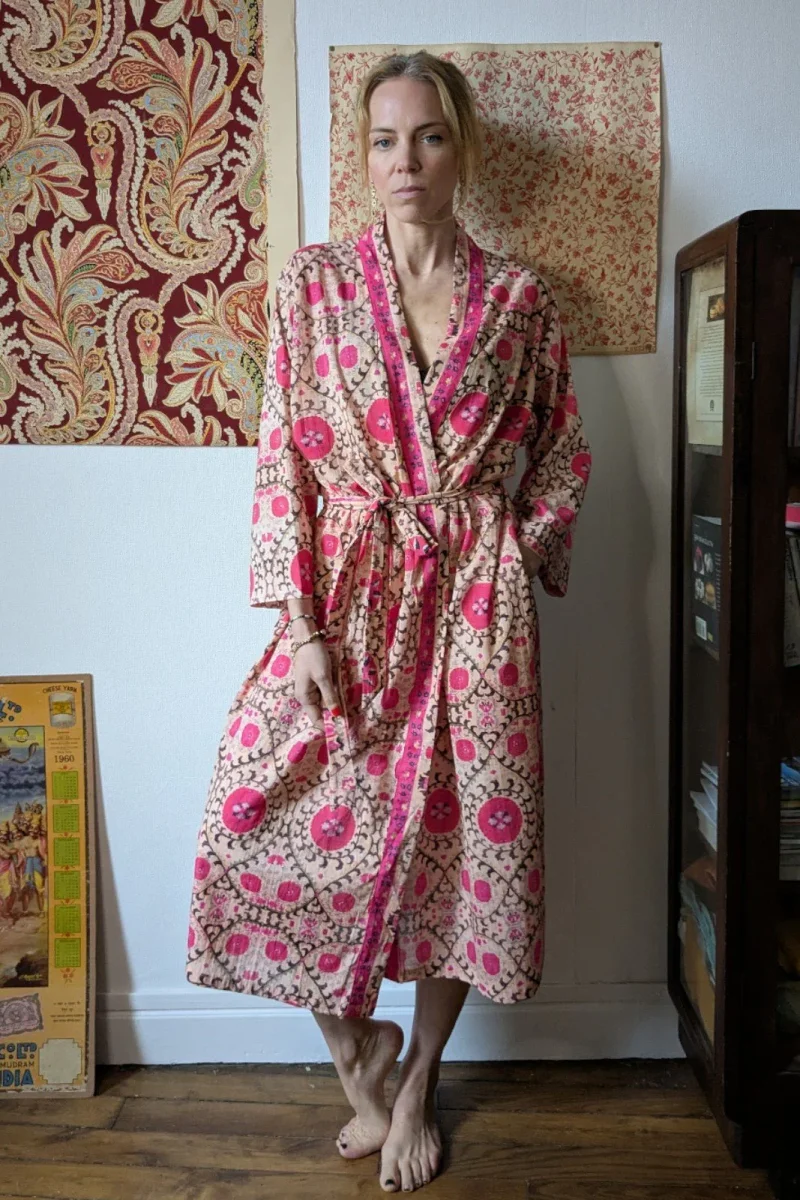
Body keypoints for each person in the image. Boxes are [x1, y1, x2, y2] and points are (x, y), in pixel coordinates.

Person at [186, 49, 591, 1193]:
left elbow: (563, 452)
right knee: (250, 807)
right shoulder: (311, 286)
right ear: (360, 156)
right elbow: (282, 460)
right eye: (381, 138)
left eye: (427, 135)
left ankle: (417, 1081)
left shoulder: (519, 300)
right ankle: (355, 1049)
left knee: (471, 846)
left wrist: (513, 551)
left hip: (473, 606)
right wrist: (302, 626)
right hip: (350, 594)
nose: (404, 159)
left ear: (460, 150)